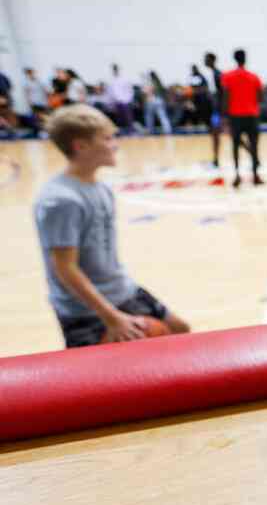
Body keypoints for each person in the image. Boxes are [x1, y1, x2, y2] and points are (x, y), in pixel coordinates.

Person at [34, 105, 191, 347]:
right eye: (107, 139)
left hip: (122, 289)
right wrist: (112, 318)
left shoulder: (101, 188)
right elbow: (65, 269)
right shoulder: (61, 200)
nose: (115, 144)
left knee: (180, 330)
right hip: (86, 311)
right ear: (81, 146)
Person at [222, 49, 264, 187]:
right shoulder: (254, 77)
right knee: (254, 145)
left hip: (235, 116)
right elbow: (260, 97)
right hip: (252, 115)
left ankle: (237, 176)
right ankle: (255, 176)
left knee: (235, 146)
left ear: (234, 59)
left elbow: (226, 98)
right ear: (245, 58)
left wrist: (225, 117)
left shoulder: (228, 76)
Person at [203, 52, 223, 165]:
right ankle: (215, 160)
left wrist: (222, 112)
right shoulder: (214, 74)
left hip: (219, 112)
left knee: (217, 135)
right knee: (215, 135)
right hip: (217, 111)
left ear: (211, 60)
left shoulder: (217, 74)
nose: (204, 61)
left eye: (206, 59)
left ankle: (253, 155)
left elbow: (222, 94)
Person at [106, 65, 135, 133]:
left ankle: (131, 131)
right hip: (116, 103)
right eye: (114, 69)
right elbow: (110, 93)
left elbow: (129, 91)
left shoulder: (125, 79)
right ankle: (121, 132)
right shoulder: (111, 81)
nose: (115, 71)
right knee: (119, 119)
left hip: (125, 102)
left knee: (127, 118)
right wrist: (110, 103)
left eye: (116, 69)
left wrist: (127, 100)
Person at [142, 70, 173, 135]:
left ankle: (150, 130)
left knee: (149, 117)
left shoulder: (150, 82)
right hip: (159, 100)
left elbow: (147, 91)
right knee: (162, 116)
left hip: (152, 100)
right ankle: (167, 130)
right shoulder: (159, 82)